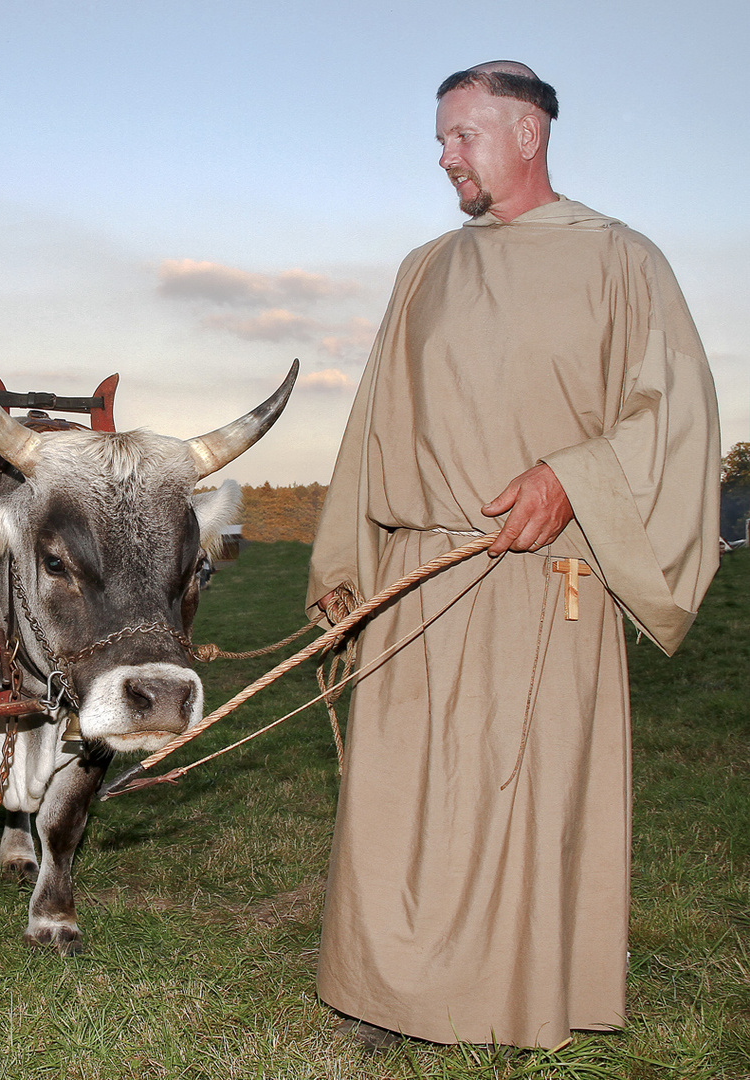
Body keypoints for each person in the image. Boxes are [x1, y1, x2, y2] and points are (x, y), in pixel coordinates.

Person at [307, 62, 720, 1049]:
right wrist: (342, 564)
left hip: (543, 581)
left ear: (526, 134)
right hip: (418, 577)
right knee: (402, 801)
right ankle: (392, 996)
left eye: (461, 135)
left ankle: (507, 997)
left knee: (509, 794)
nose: (443, 155)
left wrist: (573, 474)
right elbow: (370, 427)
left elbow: (675, 417)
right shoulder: (425, 269)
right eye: (440, 138)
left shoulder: (622, 261)